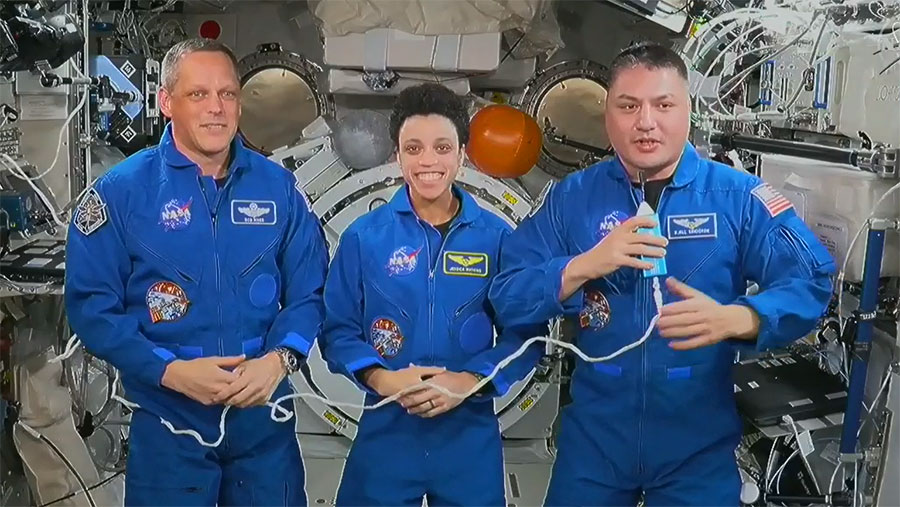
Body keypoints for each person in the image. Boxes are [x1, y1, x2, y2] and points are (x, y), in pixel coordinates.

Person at [489, 42, 836, 506]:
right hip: (595, 443)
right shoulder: (571, 199)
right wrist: (580, 267)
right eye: (628, 106)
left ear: (687, 110)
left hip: (696, 442)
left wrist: (743, 318)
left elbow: (811, 279)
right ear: (607, 113)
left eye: (663, 104)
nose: (645, 122)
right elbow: (508, 292)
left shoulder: (736, 197)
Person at [64, 38, 328, 506]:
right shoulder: (120, 195)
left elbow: (313, 290)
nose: (216, 109)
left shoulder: (278, 189)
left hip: (263, 425)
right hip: (169, 426)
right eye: (198, 95)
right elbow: (92, 309)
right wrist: (171, 373)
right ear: (166, 102)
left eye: (227, 94)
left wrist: (280, 360)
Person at [319, 82, 545, 506]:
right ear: (397, 155)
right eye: (414, 148)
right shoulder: (364, 238)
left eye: (443, 147)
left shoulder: (496, 238)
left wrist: (469, 380)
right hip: (387, 432)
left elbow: (526, 336)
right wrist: (382, 378)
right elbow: (337, 330)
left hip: (468, 435)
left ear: (462, 154)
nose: (428, 161)